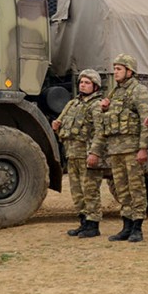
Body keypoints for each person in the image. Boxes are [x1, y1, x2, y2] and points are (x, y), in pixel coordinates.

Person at [89, 54, 148, 243]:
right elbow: (104, 123)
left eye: (119, 68)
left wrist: (143, 148)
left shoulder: (139, 91)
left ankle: (137, 227)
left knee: (136, 188)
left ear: (129, 71)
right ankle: (126, 225)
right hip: (115, 150)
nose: (115, 72)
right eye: (114, 68)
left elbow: (146, 121)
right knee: (121, 189)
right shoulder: (114, 93)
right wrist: (104, 109)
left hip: (131, 149)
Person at [52, 69, 105, 238]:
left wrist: (95, 153)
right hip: (72, 153)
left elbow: (100, 131)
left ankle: (93, 224)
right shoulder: (73, 104)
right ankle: (83, 222)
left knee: (90, 191)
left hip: (86, 154)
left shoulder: (96, 105)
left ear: (95, 86)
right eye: (81, 82)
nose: (83, 84)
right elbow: (62, 123)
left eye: (87, 82)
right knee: (77, 192)